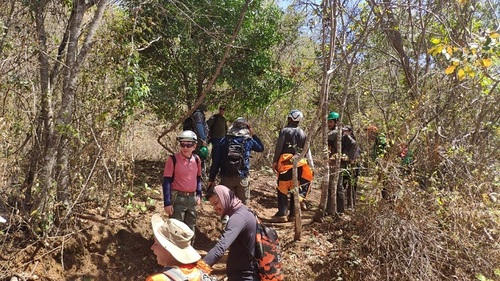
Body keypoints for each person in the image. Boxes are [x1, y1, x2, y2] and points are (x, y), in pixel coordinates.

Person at [203, 185, 258, 281]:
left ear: (225, 197)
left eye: (216, 203)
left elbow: (220, 247)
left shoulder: (238, 218)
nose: (215, 208)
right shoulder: (244, 211)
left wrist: (200, 267)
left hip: (244, 277)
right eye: (213, 205)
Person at [208, 117, 264, 204]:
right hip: (242, 179)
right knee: (242, 208)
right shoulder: (248, 141)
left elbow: (216, 161)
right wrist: (252, 132)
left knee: (227, 207)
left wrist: (211, 179)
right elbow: (261, 147)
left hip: (226, 178)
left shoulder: (224, 140)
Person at [271, 109, 314, 222]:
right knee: (295, 187)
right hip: (299, 163)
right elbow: (307, 150)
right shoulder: (303, 133)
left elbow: (279, 147)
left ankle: (282, 213)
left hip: (285, 163)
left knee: (282, 187)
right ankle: (293, 214)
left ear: (290, 118)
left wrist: (275, 161)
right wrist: (311, 164)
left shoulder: (285, 131)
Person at [146, 214, 217, 281]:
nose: (152, 247)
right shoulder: (201, 273)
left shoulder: (157, 279)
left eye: (156, 244)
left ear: (167, 249)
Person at [162, 130, 202, 241]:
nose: (185, 147)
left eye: (189, 144)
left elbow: (198, 178)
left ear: (194, 145)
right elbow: (166, 181)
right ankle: (175, 257)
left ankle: (189, 254)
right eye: (182, 144)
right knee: (176, 228)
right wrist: (167, 202)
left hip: (192, 198)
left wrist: (199, 194)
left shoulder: (197, 160)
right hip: (178, 198)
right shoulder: (173, 160)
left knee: (191, 228)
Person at [327, 112, 357, 213]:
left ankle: (339, 211)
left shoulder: (335, 133)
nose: (328, 124)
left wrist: (346, 157)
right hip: (337, 162)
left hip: (337, 163)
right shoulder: (341, 133)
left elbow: (354, 144)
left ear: (336, 122)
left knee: (337, 186)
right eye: (328, 122)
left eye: (330, 122)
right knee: (335, 186)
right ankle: (334, 209)